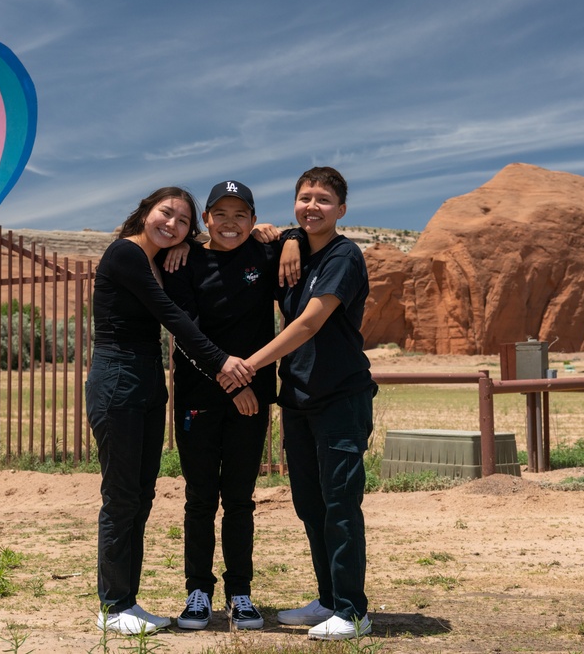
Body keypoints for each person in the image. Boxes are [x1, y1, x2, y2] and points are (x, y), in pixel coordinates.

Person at [85, 187, 255, 636]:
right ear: (146, 212)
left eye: (182, 221)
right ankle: (113, 605)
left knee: (140, 496)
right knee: (121, 496)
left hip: (146, 381)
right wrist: (223, 364)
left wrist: (187, 244)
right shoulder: (124, 254)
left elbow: (223, 241)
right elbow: (171, 315)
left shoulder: (160, 258)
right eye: (166, 214)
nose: (172, 225)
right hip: (117, 378)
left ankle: (127, 602)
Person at [219, 166, 376, 641]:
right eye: (305, 198)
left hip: (340, 398)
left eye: (324, 200)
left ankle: (352, 612)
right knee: (311, 505)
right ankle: (329, 599)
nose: (313, 206)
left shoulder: (344, 256)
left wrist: (249, 365)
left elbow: (309, 323)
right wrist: (287, 237)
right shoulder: (292, 252)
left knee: (341, 503)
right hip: (299, 398)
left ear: (341, 210)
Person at [161, 180, 302, 631]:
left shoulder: (264, 254)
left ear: (253, 218)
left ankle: (240, 593)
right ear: (205, 220)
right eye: (220, 213)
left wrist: (288, 238)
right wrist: (232, 384)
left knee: (240, 501)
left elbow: (300, 235)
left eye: (241, 214)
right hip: (200, 399)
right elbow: (185, 334)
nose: (230, 223)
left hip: (251, 402)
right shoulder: (183, 261)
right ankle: (197, 592)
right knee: (200, 500)